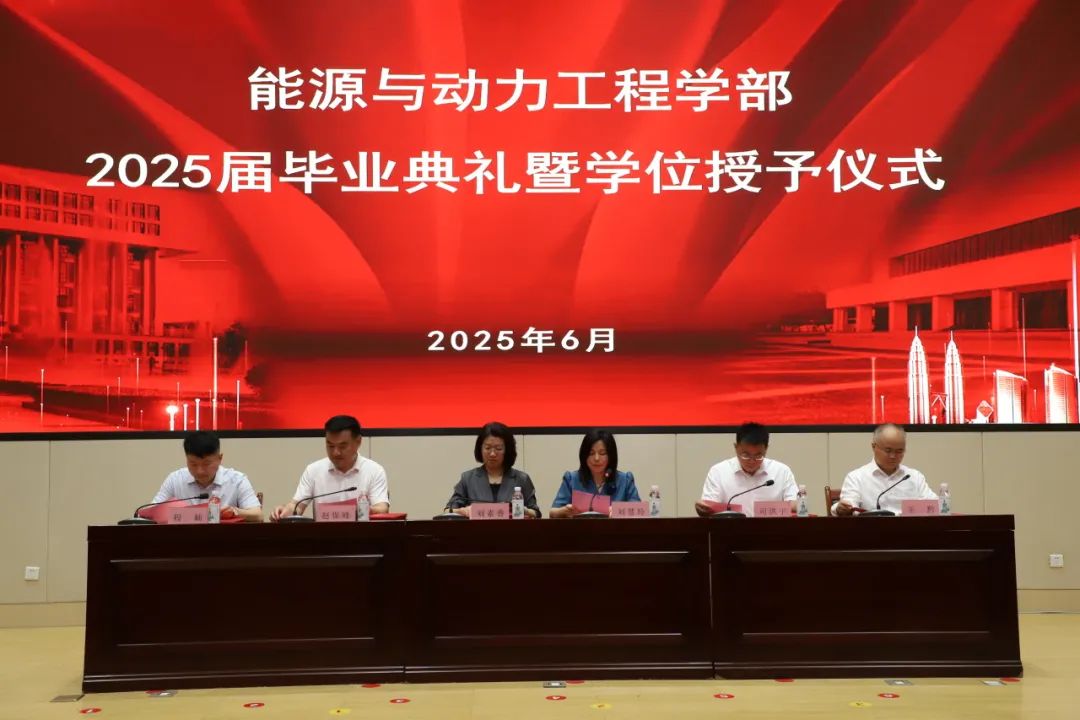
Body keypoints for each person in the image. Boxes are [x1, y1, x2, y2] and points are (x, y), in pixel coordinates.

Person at [270, 415, 389, 521]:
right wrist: (284, 511)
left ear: (358, 442)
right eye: (330, 446)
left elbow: (382, 509)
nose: (336, 452)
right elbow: (297, 506)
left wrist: (357, 510)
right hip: (323, 537)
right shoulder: (314, 470)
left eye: (342, 446)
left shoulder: (374, 470)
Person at [151, 430, 262, 522]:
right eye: (193, 464)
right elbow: (151, 511)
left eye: (206, 464)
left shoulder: (237, 480)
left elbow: (258, 515)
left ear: (220, 458)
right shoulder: (175, 479)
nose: (200, 471)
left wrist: (235, 512)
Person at [694, 422, 798, 517]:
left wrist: (786, 507)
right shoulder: (718, 472)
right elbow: (710, 509)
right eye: (745, 455)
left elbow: (796, 505)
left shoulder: (782, 472)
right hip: (731, 530)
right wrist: (703, 509)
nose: (752, 461)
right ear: (736, 447)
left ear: (766, 449)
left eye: (758, 456)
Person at [834, 423, 937, 516]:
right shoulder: (856, 477)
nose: (893, 456)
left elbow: (935, 506)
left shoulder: (914, 477)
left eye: (899, 451)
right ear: (874, 447)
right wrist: (842, 508)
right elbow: (848, 506)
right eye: (888, 450)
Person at [444, 421, 541, 518]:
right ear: (480, 449)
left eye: (498, 448)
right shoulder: (468, 479)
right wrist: (464, 511)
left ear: (507, 450)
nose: (492, 454)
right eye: (487, 448)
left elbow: (536, 513)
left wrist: (523, 510)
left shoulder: (521, 479)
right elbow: (448, 510)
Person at [550, 429, 640, 517]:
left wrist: (618, 511)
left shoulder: (625, 480)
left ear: (611, 455)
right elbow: (553, 512)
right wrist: (565, 511)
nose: (596, 458)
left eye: (602, 453)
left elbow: (639, 511)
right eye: (591, 453)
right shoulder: (571, 479)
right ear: (584, 455)